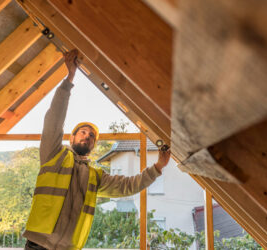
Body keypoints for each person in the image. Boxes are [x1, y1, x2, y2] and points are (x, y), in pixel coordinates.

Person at [23, 49, 170, 250]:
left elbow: (128, 186)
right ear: (72, 137)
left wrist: (158, 167)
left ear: (93, 146)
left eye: (92, 136)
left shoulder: (94, 176)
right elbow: (53, 121)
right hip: (38, 244)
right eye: (83, 132)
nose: (87, 136)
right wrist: (69, 80)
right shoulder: (54, 155)